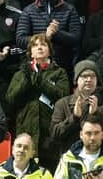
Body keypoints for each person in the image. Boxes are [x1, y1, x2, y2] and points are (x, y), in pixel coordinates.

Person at [6, 33, 70, 170]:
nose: (39, 48)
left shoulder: (59, 73)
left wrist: (39, 79)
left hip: (50, 132)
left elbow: (63, 96)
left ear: (50, 50)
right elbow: (10, 99)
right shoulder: (21, 73)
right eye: (35, 45)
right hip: (25, 130)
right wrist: (26, 80)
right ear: (30, 52)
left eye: (43, 44)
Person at [16, 0, 81, 76]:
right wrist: (45, 36)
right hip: (34, 66)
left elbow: (76, 38)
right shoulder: (29, 10)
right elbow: (20, 39)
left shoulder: (69, 10)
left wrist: (57, 33)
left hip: (62, 66)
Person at [51, 60, 103, 156]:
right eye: (84, 76)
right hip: (71, 158)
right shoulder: (63, 103)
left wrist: (96, 115)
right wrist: (74, 118)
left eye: (92, 76)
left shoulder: (101, 104)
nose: (89, 79)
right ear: (76, 80)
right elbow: (55, 135)